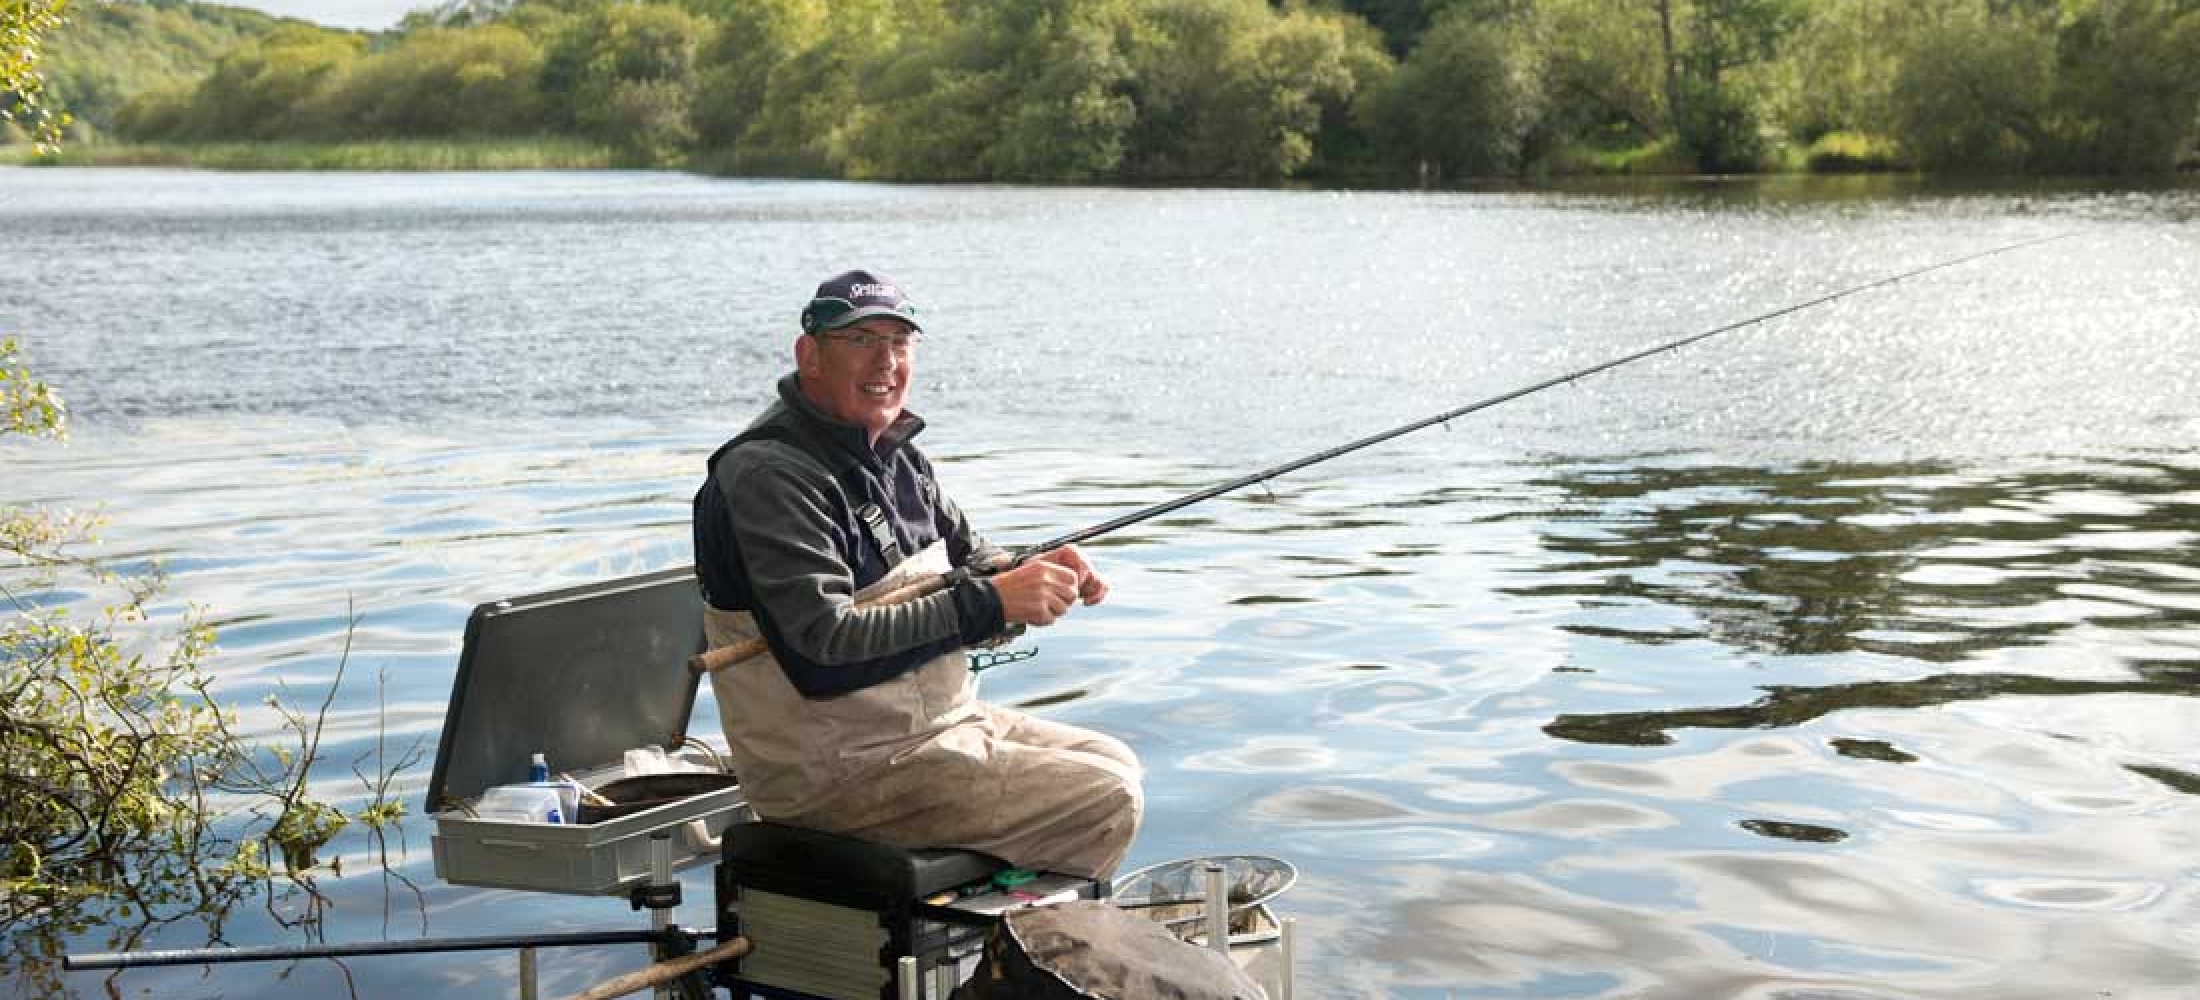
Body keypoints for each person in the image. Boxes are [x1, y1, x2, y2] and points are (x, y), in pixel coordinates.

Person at [691, 269, 1142, 879]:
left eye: (900, 343)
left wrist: (1036, 570)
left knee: (1113, 760)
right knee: (1103, 796)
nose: (885, 361)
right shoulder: (771, 476)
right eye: (861, 340)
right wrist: (993, 604)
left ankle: (1011, 939)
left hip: (930, 730)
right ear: (809, 355)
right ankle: (1021, 956)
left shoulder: (898, 453)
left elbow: (974, 558)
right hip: (835, 769)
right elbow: (824, 654)